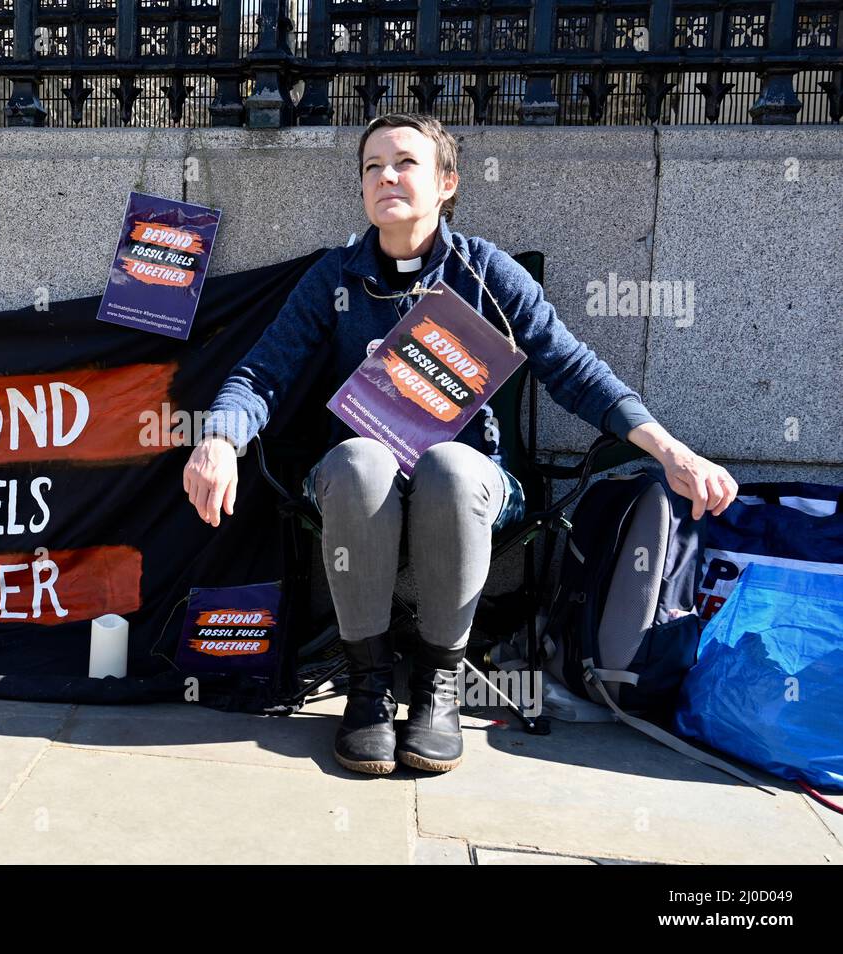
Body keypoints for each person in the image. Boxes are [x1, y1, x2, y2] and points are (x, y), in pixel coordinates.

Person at [182, 113, 738, 776]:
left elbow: (571, 366)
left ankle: (437, 686)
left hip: (470, 483)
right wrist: (218, 438)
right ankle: (366, 685)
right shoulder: (334, 278)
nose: (386, 175)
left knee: (448, 464)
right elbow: (262, 371)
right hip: (361, 482)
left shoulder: (484, 272)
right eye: (372, 166)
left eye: (406, 162)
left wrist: (668, 450)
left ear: (447, 183)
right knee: (361, 460)